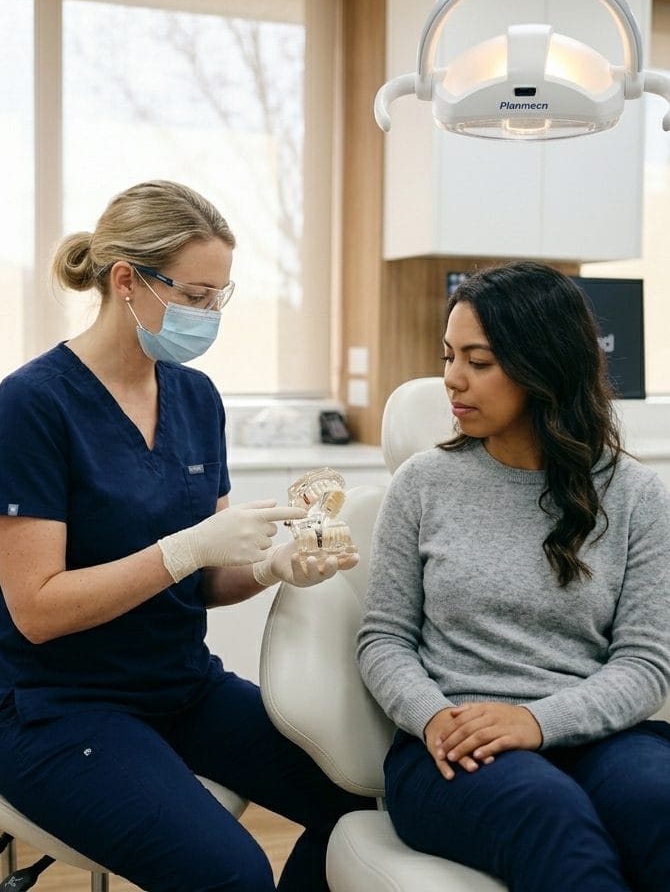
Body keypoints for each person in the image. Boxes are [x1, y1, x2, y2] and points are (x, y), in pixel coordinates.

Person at [0, 179, 369, 892]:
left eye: (219, 298)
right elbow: (37, 611)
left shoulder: (196, 399)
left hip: (181, 685)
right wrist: (186, 548)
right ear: (126, 281)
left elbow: (205, 580)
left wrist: (273, 568)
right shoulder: (31, 406)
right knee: (229, 873)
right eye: (196, 296)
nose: (209, 316)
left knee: (364, 800)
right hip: (59, 705)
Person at [357, 261, 670, 892]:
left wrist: (539, 721)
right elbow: (383, 639)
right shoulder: (422, 484)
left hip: (599, 736)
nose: (451, 379)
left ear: (544, 367)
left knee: (657, 806)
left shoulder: (636, 494)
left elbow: (645, 663)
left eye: (479, 361)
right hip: (453, 743)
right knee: (553, 822)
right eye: (449, 356)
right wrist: (433, 716)